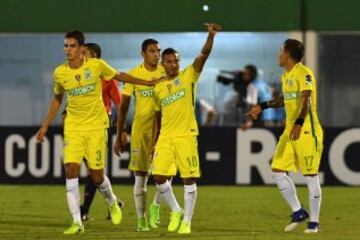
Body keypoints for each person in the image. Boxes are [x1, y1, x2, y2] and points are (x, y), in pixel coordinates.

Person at [36, 30, 160, 235]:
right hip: (73, 128)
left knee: (96, 175)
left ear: (82, 49)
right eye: (66, 46)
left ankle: (112, 202)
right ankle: (77, 222)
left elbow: (119, 75)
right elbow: (58, 97)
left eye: (72, 46)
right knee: (71, 171)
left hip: (96, 127)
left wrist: (146, 82)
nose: (68, 49)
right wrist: (46, 125)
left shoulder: (96, 66)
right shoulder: (60, 72)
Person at [149, 23, 220, 234]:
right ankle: (176, 210)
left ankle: (186, 222)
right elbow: (157, 117)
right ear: (163, 64)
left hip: (186, 135)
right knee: (159, 177)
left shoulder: (188, 76)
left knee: (189, 179)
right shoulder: (158, 88)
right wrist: (153, 142)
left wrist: (210, 36)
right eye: (169, 62)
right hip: (165, 137)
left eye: (176, 61)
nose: (174, 65)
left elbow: (203, 55)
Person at [247, 39, 323, 233]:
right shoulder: (286, 76)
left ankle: (314, 223)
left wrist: (298, 123)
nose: (278, 54)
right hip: (289, 131)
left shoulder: (304, 73)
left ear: (288, 54)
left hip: (305, 130)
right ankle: (298, 211)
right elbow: (285, 99)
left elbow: (306, 100)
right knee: (277, 171)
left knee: (310, 176)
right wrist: (261, 106)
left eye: (281, 50)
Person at [114, 39, 165, 231]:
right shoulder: (134, 74)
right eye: (152, 51)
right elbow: (123, 108)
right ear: (143, 53)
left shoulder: (166, 72)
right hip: (141, 132)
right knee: (141, 176)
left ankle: (156, 206)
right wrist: (120, 134)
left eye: (158, 51)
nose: (156, 54)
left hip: (164, 131)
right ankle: (141, 219)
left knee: (166, 174)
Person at [78, 43, 125, 221]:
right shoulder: (81, 76)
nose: (80, 56)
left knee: (93, 170)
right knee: (93, 171)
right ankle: (112, 202)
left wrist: (122, 130)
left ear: (95, 56)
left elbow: (120, 104)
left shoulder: (107, 78)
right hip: (80, 126)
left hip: (98, 125)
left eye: (84, 53)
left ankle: (85, 210)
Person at [241, 64, 275, 129]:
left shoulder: (252, 86)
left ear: (252, 75)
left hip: (260, 121)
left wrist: (249, 122)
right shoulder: (264, 84)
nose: (243, 76)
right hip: (271, 119)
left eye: (246, 73)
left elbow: (252, 106)